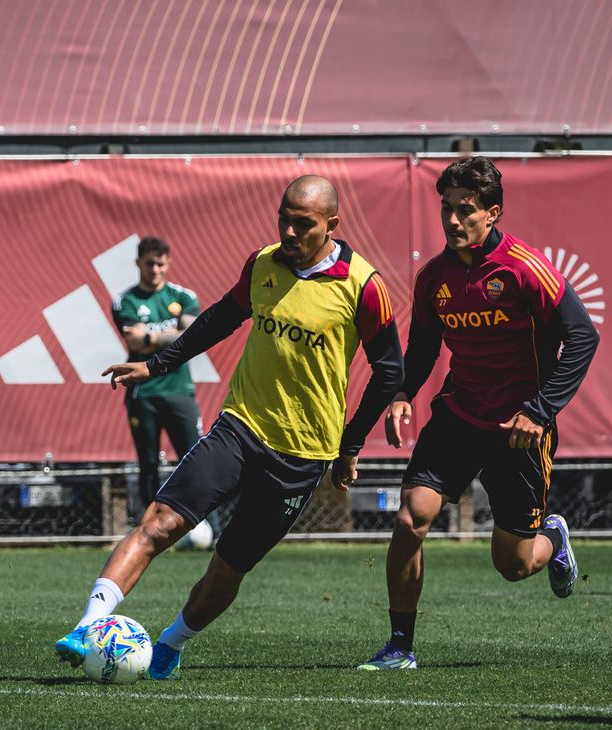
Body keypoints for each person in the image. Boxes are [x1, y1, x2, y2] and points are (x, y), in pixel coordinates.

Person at [55, 175, 404, 678]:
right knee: (158, 523)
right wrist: (156, 365)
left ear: (331, 225)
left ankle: (171, 644)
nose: (288, 230)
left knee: (228, 566)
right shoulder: (263, 263)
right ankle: (88, 627)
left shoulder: (363, 286)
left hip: (303, 457)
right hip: (239, 429)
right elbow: (221, 317)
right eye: (282, 218)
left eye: (302, 224)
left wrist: (351, 446)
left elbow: (390, 371)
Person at [359, 156, 599, 670]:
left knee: (512, 566)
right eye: (445, 208)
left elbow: (583, 336)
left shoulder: (523, 269)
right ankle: (400, 646)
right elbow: (422, 349)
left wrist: (540, 411)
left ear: (492, 213)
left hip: (519, 431)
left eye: (464, 210)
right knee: (410, 519)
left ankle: (552, 537)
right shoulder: (434, 278)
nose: (451, 220)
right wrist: (402, 394)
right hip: (459, 416)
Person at [111, 237, 203, 517]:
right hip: (143, 394)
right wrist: (172, 336)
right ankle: (149, 526)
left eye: (160, 264)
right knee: (148, 464)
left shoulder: (183, 297)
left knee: (195, 460)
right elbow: (135, 343)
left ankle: (206, 526)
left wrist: (151, 335)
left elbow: (192, 336)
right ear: (139, 263)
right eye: (149, 263)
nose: (155, 270)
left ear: (168, 263)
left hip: (179, 390)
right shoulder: (125, 300)